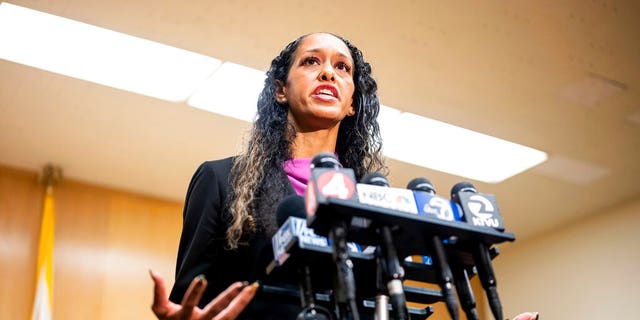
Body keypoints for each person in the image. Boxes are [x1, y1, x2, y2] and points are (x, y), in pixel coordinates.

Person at [150, 32, 539, 320]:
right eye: (310, 62)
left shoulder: (373, 202)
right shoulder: (221, 180)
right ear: (281, 90)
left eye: (342, 67)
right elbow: (191, 300)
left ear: (352, 102)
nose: (327, 74)